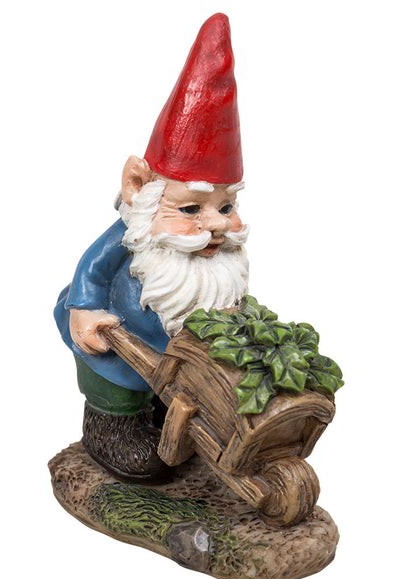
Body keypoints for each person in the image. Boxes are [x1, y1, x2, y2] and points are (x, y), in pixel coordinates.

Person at [54, 13, 249, 483]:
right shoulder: (133, 235)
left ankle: (170, 429)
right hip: (118, 349)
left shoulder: (219, 258)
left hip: (180, 360)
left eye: (225, 207)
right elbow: (93, 269)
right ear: (138, 186)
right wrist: (85, 310)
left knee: (174, 403)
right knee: (118, 399)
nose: (214, 226)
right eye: (190, 209)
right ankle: (113, 437)